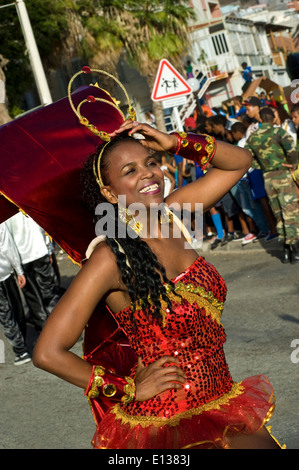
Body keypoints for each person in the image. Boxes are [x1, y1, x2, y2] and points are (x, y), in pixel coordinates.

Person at [33, 114, 282, 449]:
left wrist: (174, 142)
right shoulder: (109, 258)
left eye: (150, 162)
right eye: (129, 171)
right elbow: (47, 352)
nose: (148, 173)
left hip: (224, 400)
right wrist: (127, 389)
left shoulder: (176, 214)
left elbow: (239, 162)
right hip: (168, 422)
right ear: (109, 192)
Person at [245, 107, 299, 263]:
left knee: (278, 214)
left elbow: (248, 157)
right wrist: (292, 164)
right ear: (273, 117)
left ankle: (286, 250)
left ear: (261, 119)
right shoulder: (279, 133)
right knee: (290, 211)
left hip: (267, 177)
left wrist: (262, 165)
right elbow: (292, 151)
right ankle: (295, 249)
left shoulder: (253, 137)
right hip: (282, 174)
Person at [6, 212, 61, 334]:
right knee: (50, 293)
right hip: (39, 251)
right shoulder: (24, 200)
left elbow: (7, 242)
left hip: (22, 259)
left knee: (34, 301)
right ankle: (62, 328)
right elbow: (42, 226)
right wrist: (48, 249)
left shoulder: (5, 211)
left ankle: (45, 334)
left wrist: (17, 268)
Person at [243, 97, 279, 240]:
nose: (247, 111)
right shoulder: (251, 129)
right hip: (257, 169)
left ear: (258, 107)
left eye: (249, 107)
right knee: (263, 201)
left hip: (274, 167)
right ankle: (273, 229)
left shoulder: (272, 123)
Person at [0, 222, 31, 365]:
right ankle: (22, 347)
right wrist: (18, 270)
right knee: (16, 308)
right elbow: (8, 246)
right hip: (5, 272)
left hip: (5, 272)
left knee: (5, 316)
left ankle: (20, 350)